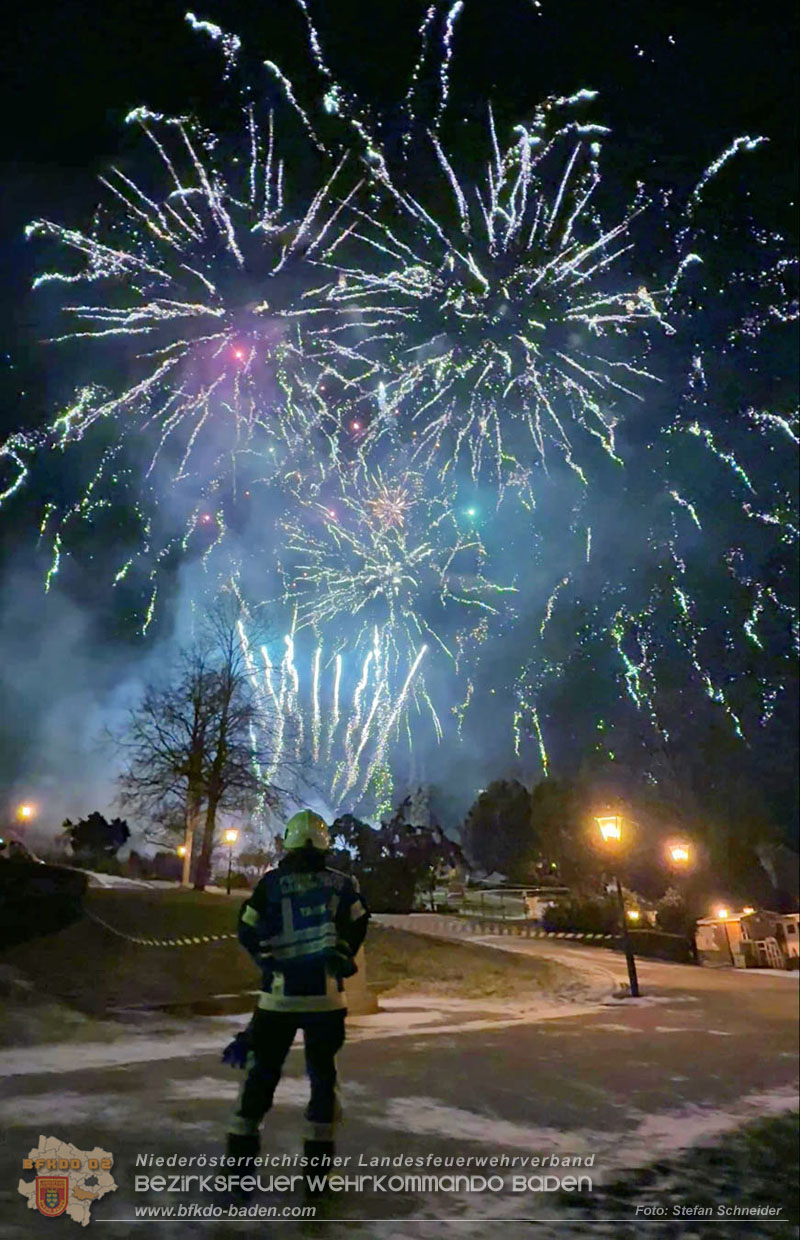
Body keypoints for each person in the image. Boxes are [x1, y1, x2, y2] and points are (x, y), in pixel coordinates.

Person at [227, 809, 370, 1170]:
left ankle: (239, 1167)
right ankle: (318, 1170)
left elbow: (247, 927)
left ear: (287, 843)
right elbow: (359, 921)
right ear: (324, 845)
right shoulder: (343, 884)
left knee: (261, 1076)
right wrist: (342, 953)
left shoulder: (271, 884)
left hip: (279, 999)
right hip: (326, 1000)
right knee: (323, 1079)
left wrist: (267, 960)